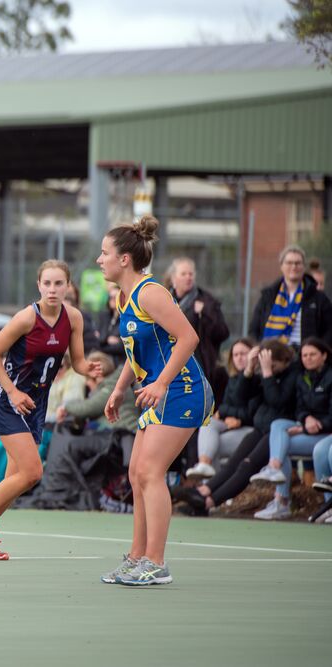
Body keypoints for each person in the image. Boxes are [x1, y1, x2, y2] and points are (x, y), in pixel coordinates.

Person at [98, 215, 213, 586]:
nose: (100, 260)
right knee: (136, 474)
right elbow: (137, 351)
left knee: (150, 472)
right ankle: (136, 557)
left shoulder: (151, 292)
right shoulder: (123, 296)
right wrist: (118, 389)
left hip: (182, 391)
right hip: (158, 393)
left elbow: (188, 338)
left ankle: (156, 562)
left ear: (125, 259)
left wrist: (161, 384)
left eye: (104, 253)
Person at [0, 259, 96, 561]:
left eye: (58, 283)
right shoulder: (26, 318)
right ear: (38, 285)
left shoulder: (73, 318)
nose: (52, 289)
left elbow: (77, 361)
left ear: (68, 287)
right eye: (47, 283)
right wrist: (12, 390)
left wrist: (90, 368)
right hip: (7, 400)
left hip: (35, 404)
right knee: (32, 472)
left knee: (14, 480)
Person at [174, 340, 296, 517]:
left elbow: (278, 401)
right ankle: (203, 492)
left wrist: (268, 373)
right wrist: (249, 370)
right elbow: (239, 397)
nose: (268, 369)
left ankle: (207, 503)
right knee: (233, 464)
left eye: (272, 365)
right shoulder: (258, 374)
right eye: (236, 354)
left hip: (276, 430)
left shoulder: (291, 375)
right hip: (261, 427)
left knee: (247, 466)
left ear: (284, 360)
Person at [249, 337, 332, 519]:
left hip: (325, 433)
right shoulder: (303, 378)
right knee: (278, 427)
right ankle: (281, 499)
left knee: (321, 451)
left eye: (313, 354)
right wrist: (305, 420)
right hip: (311, 431)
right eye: (304, 355)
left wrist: (313, 425)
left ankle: (329, 504)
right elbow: (299, 409)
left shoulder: (329, 377)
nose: (308, 358)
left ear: (324, 356)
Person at [186, 337, 257, 479]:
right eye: (235, 355)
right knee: (208, 423)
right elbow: (224, 406)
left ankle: (212, 489)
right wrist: (229, 415)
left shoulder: (258, 378)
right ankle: (204, 466)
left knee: (213, 445)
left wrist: (238, 418)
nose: (239, 358)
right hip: (233, 425)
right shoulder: (233, 378)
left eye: (243, 353)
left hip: (253, 431)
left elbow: (253, 412)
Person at [166, 257, 230, 394]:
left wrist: (205, 314)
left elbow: (223, 332)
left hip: (199, 364)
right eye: (183, 274)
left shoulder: (206, 301)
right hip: (170, 362)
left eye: (191, 274)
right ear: (173, 278)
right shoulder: (166, 300)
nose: (188, 277)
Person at [249, 245, 332, 348]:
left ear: (304, 267)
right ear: (281, 266)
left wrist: (318, 351)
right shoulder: (268, 296)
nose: (294, 267)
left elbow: (329, 330)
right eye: (289, 263)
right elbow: (254, 329)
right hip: (272, 353)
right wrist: (258, 348)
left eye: (298, 263)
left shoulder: (319, 298)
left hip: (305, 357)